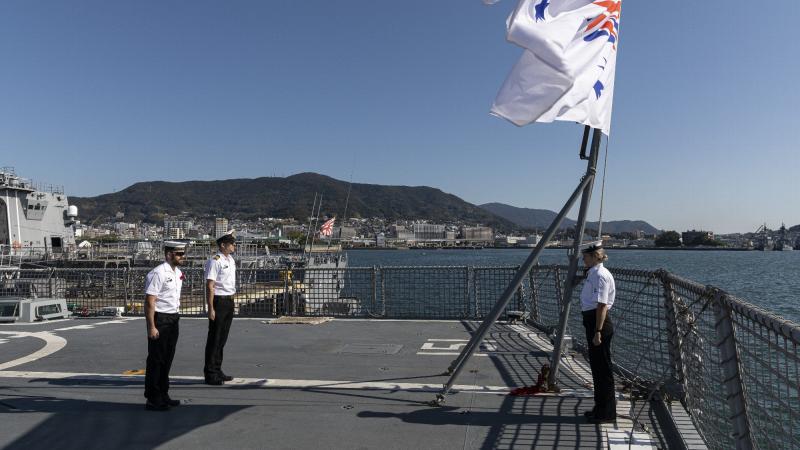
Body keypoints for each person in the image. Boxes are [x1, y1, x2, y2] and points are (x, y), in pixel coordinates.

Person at [144, 241, 187, 411]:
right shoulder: (158, 273)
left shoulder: (178, 273)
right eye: (179, 254)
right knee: (156, 359)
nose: (182, 257)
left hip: (173, 318)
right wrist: (151, 326)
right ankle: (153, 398)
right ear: (169, 255)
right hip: (160, 319)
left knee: (167, 358)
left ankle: (163, 393)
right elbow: (149, 301)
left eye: (183, 254)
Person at [580, 243, 617, 423]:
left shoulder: (600, 275)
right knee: (597, 368)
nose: (583, 259)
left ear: (595, 256)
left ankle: (607, 413)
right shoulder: (593, 273)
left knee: (603, 369)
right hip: (593, 321)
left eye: (585, 256)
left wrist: (598, 332)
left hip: (598, 323)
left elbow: (601, 305)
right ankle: (599, 408)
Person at [203, 230, 237, 385]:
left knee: (222, 338)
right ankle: (210, 373)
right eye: (231, 243)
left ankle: (218, 369)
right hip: (219, 301)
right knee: (215, 338)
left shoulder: (230, 260)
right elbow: (210, 286)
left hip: (229, 301)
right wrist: (210, 308)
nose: (233, 246)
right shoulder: (215, 261)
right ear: (223, 245)